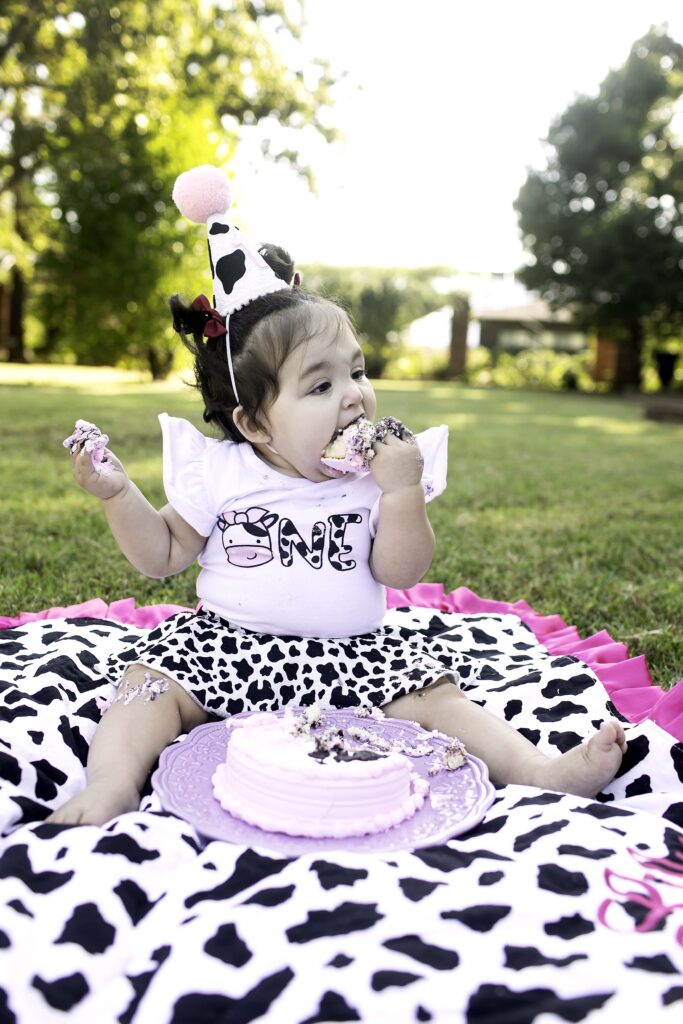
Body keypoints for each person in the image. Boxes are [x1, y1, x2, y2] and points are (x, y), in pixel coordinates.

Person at [49, 167, 626, 826]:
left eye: (355, 371)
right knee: (144, 688)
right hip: (228, 647)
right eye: (319, 386)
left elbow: (399, 571)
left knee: (438, 699)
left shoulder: (372, 474)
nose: (353, 394)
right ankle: (113, 784)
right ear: (254, 423)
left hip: (356, 657)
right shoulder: (223, 472)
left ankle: (537, 772)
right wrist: (117, 494)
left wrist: (402, 492)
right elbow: (162, 555)